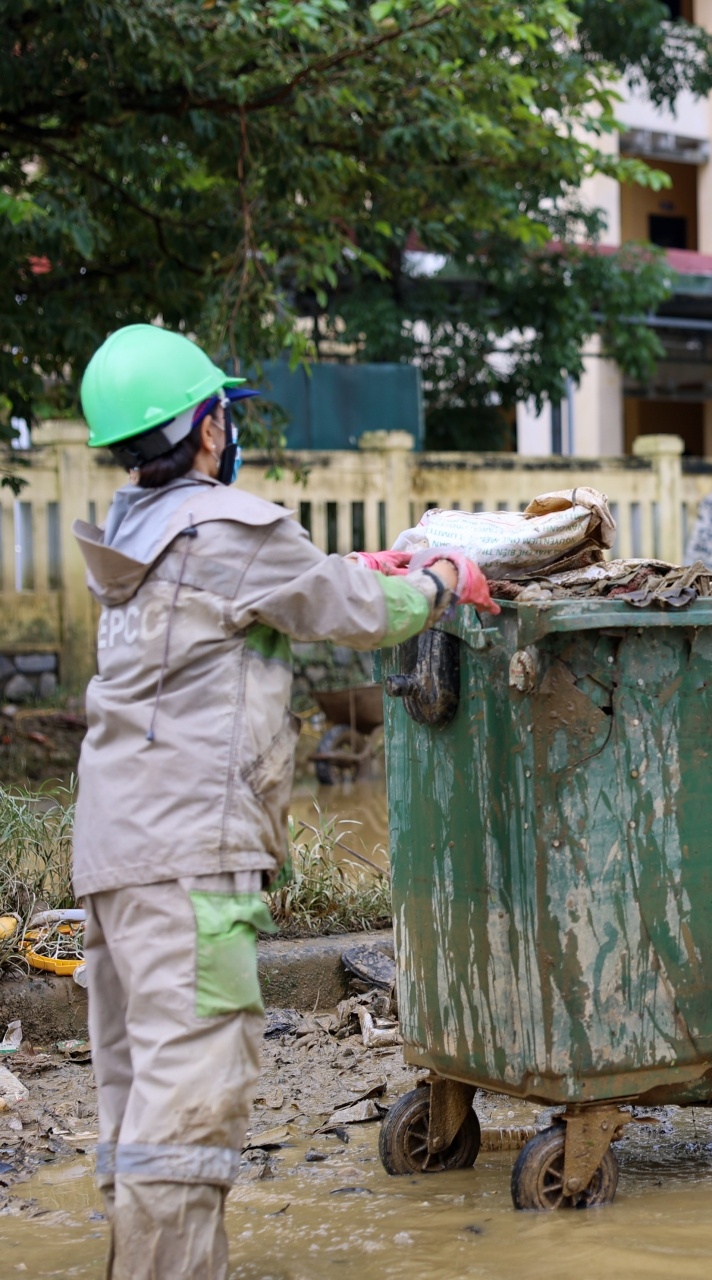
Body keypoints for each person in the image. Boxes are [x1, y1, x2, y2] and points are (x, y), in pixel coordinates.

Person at [70, 324, 495, 1277]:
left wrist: (357, 574)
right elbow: (354, 618)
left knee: (138, 1104)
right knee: (192, 1105)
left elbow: (293, 594)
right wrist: (439, 578)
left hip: (113, 862)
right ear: (208, 431)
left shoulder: (131, 535)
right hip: (194, 871)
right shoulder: (227, 528)